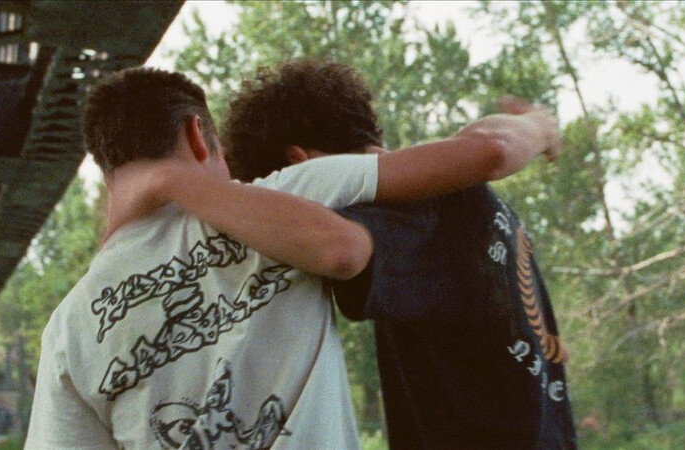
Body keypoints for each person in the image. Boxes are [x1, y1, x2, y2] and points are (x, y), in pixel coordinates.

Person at [26, 64, 561, 449]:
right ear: (197, 135)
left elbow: (346, 245)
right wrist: (539, 125)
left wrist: (165, 183)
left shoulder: (67, 327)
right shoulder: (291, 196)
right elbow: (481, 150)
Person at [221, 58, 578, 449]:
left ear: (298, 164)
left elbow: (342, 251)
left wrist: (198, 194)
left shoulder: (402, 215)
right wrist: (538, 125)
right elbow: (485, 141)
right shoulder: (455, 193)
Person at [25, 67, 377, 449]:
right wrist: (175, 180)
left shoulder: (68, 325)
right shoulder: (286, 202)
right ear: (198, 136)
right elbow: (417, 172)